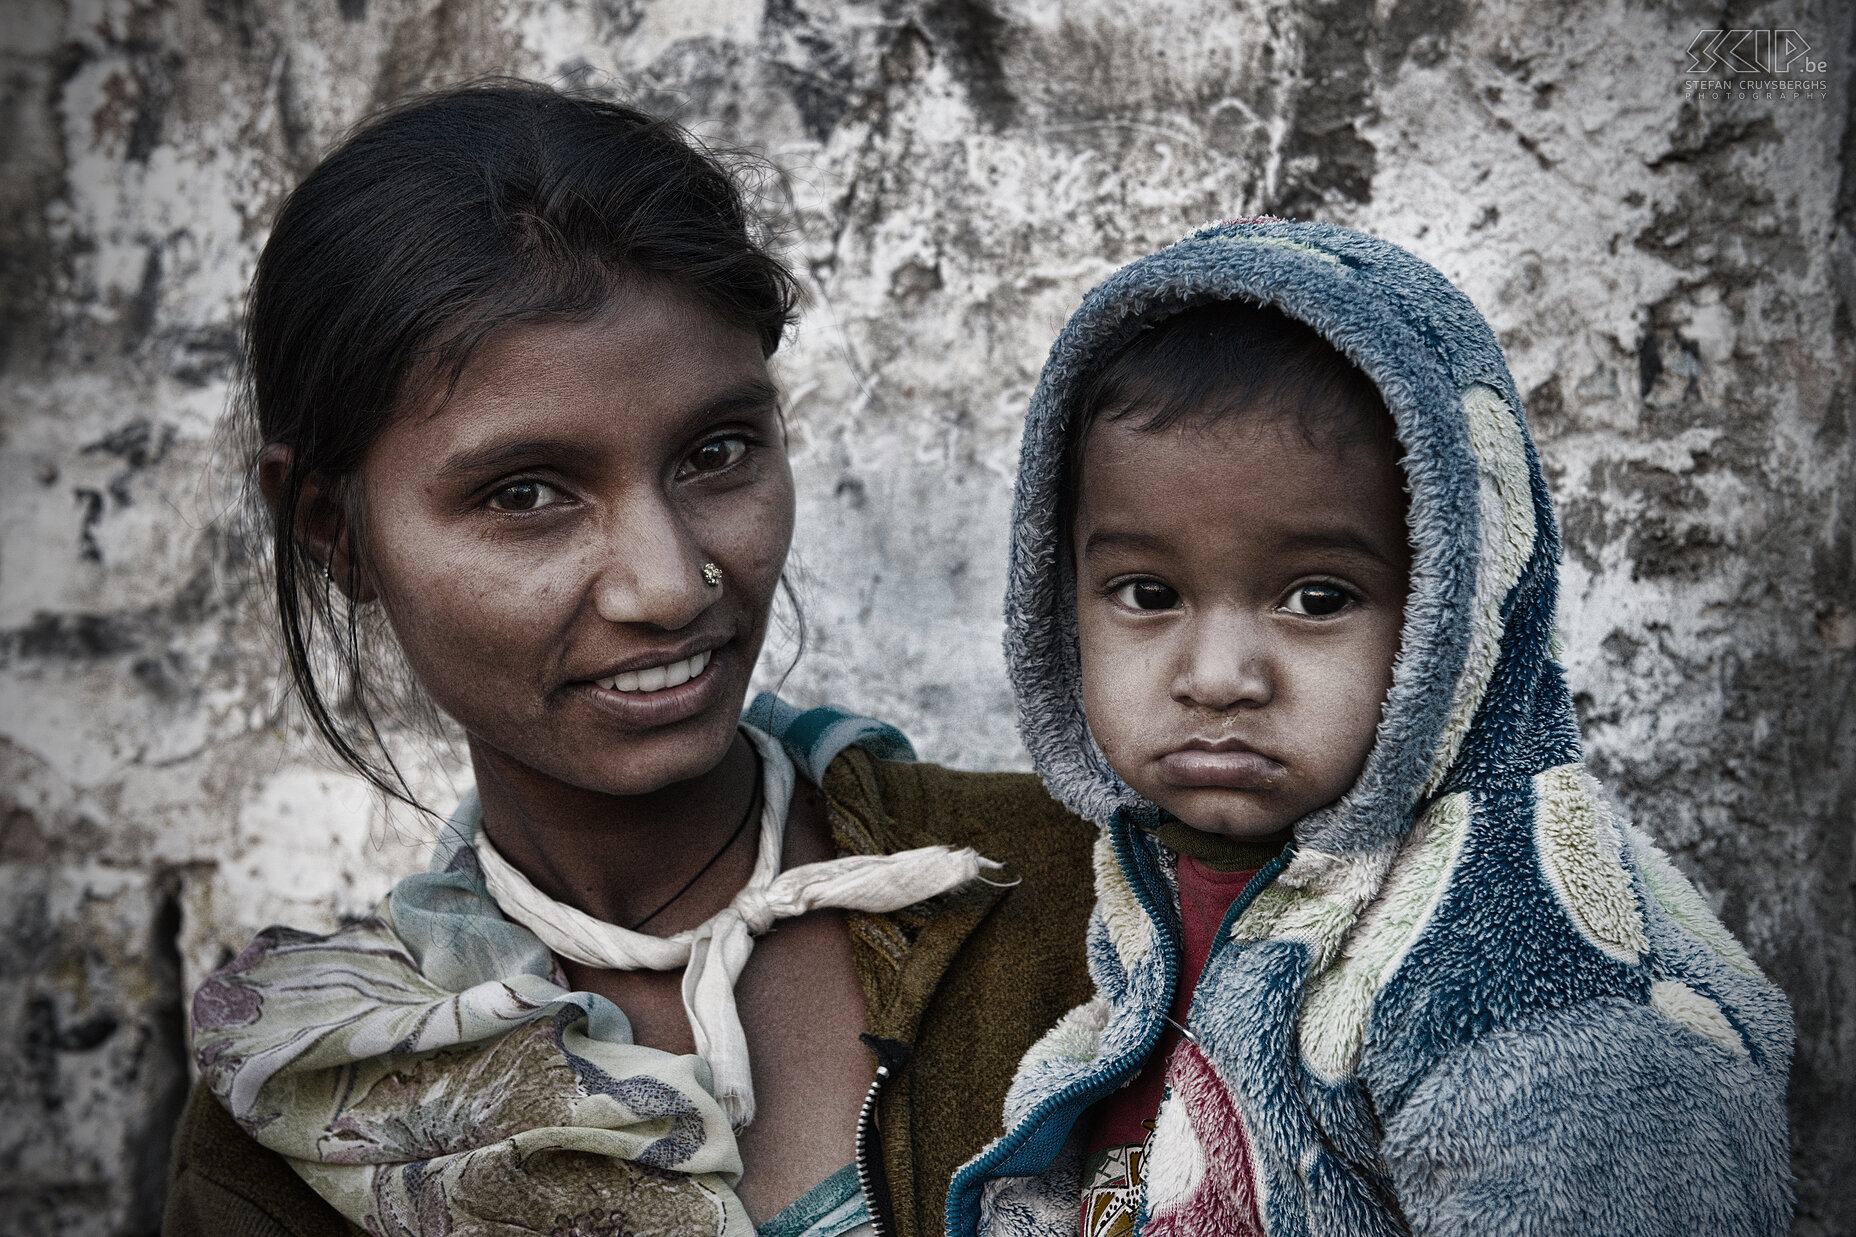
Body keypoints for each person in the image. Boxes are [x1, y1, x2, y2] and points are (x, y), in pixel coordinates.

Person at [164, 81, 1096, 1237]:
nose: (665, 584)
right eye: (525, 493)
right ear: (332, 530)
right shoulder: (304, 1109)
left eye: (716, 451)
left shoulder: (1092, 902)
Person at [943, 220, 1795, 1237]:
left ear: (1452, 606)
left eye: (1314, 598)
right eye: (1145, 591)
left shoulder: (1538, 992)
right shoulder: (1147, 885)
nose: (1218, 678)